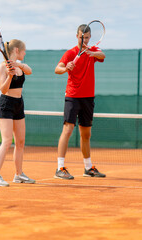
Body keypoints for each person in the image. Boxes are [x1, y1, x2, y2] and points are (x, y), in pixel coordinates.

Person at [54, 24, 106, 180]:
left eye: (88, 37)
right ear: (77, 36)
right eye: (83, 37)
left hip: (88, 98)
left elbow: (103, 55)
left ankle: (88, 167)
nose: (85, 40)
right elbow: (57, 69)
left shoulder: (93, 51)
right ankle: (60, 168)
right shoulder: (70, 53)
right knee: (68, 129)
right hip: (73, 95)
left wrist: (92, 53)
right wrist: (66, 67)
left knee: (86, 134)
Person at [0, 39, 35, 187]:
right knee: (7, 141)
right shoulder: (2, 67)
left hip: (19, 104)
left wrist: (18, 65)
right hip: (6, 104)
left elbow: (29, 70)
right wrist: (10, 75)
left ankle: (19, 174)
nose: (25, 53)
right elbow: (3, 89)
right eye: (24, 50)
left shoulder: (21, 66)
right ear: (16, 50)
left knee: (20, 142)